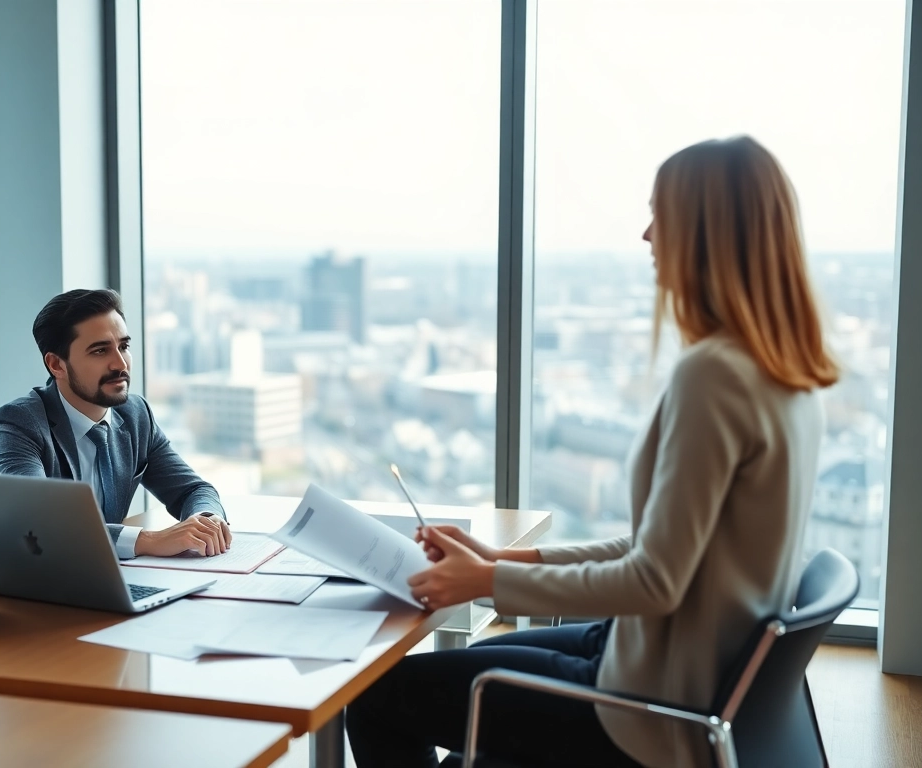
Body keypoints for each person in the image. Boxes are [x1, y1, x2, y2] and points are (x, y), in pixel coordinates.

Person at [346, 136, 839, 768]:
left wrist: (487, 581)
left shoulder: (714, 377)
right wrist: (503, 559)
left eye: (661, 214)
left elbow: (653, 581)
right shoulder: (789, 376)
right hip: (666, 663)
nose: (646, 234)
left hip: (651, 705)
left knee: (376, 698)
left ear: (706, 234)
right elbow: (655, 549)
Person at [0, 288, 232, 559]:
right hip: (43, 581)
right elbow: (40, 523)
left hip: (112, 577)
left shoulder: (135, 414)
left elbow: (194, 490)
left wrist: (205, 521)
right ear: (57, 365)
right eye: (100, 350)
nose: (120, 363)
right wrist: (148, 540)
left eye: (124, 346)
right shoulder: (19, 423)